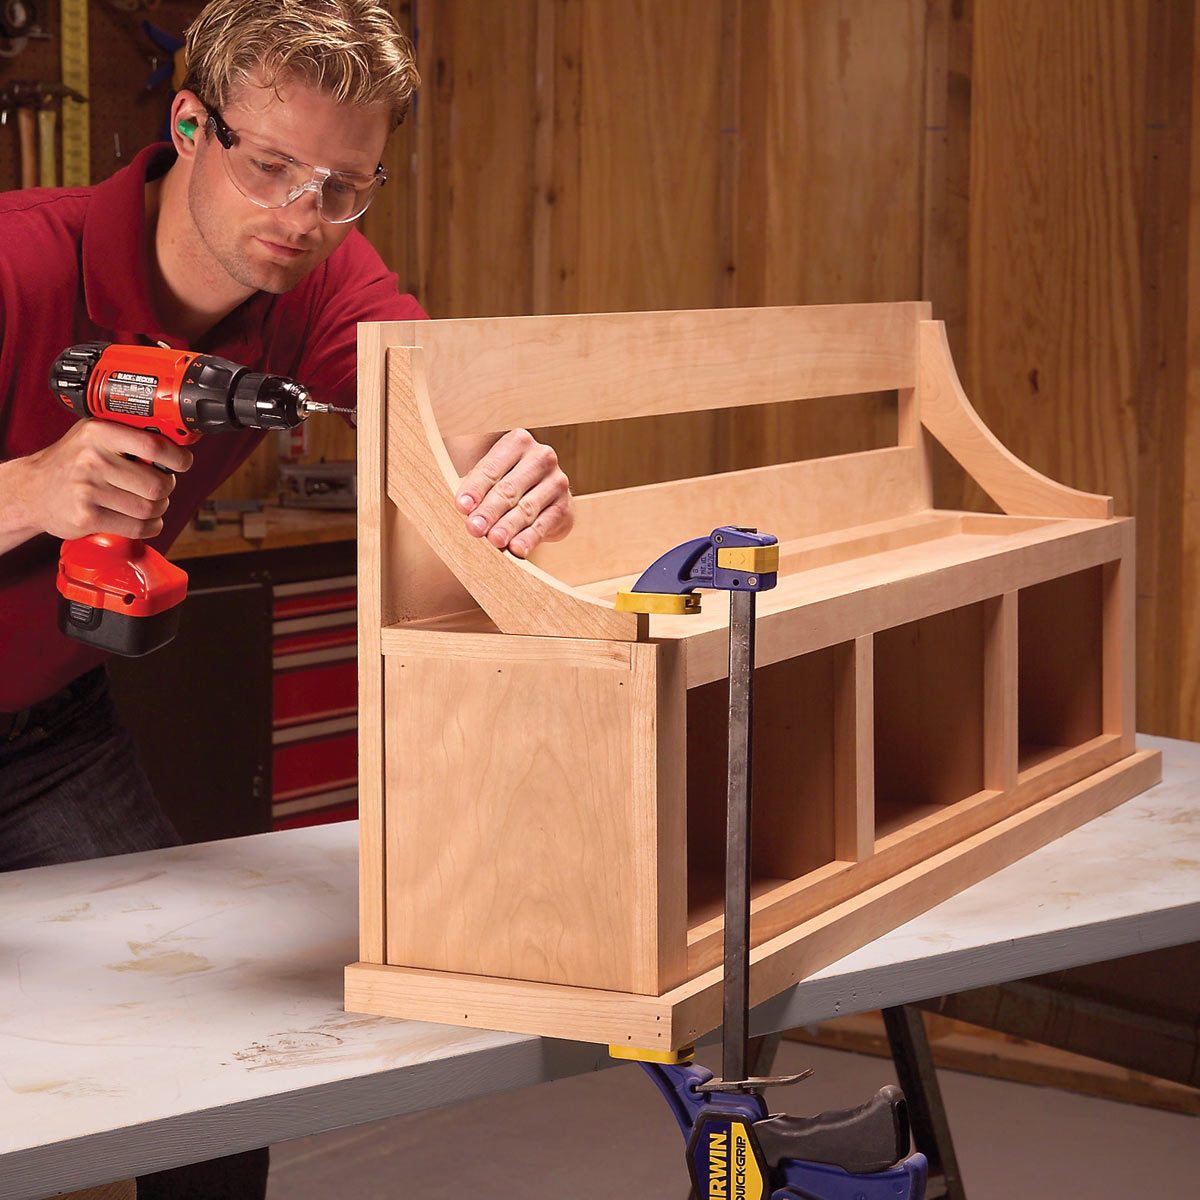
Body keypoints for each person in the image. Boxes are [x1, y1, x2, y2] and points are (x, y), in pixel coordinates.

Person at [0, 1, 572, 1195]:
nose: (301, 217)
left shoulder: (314, 277)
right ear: (190, 123)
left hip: (49, 739)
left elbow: (431, 403)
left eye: (342, 185)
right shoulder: (18, 261)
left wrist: (503, 457)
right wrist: (36, 487)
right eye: (270, 168)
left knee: (212, 1088)